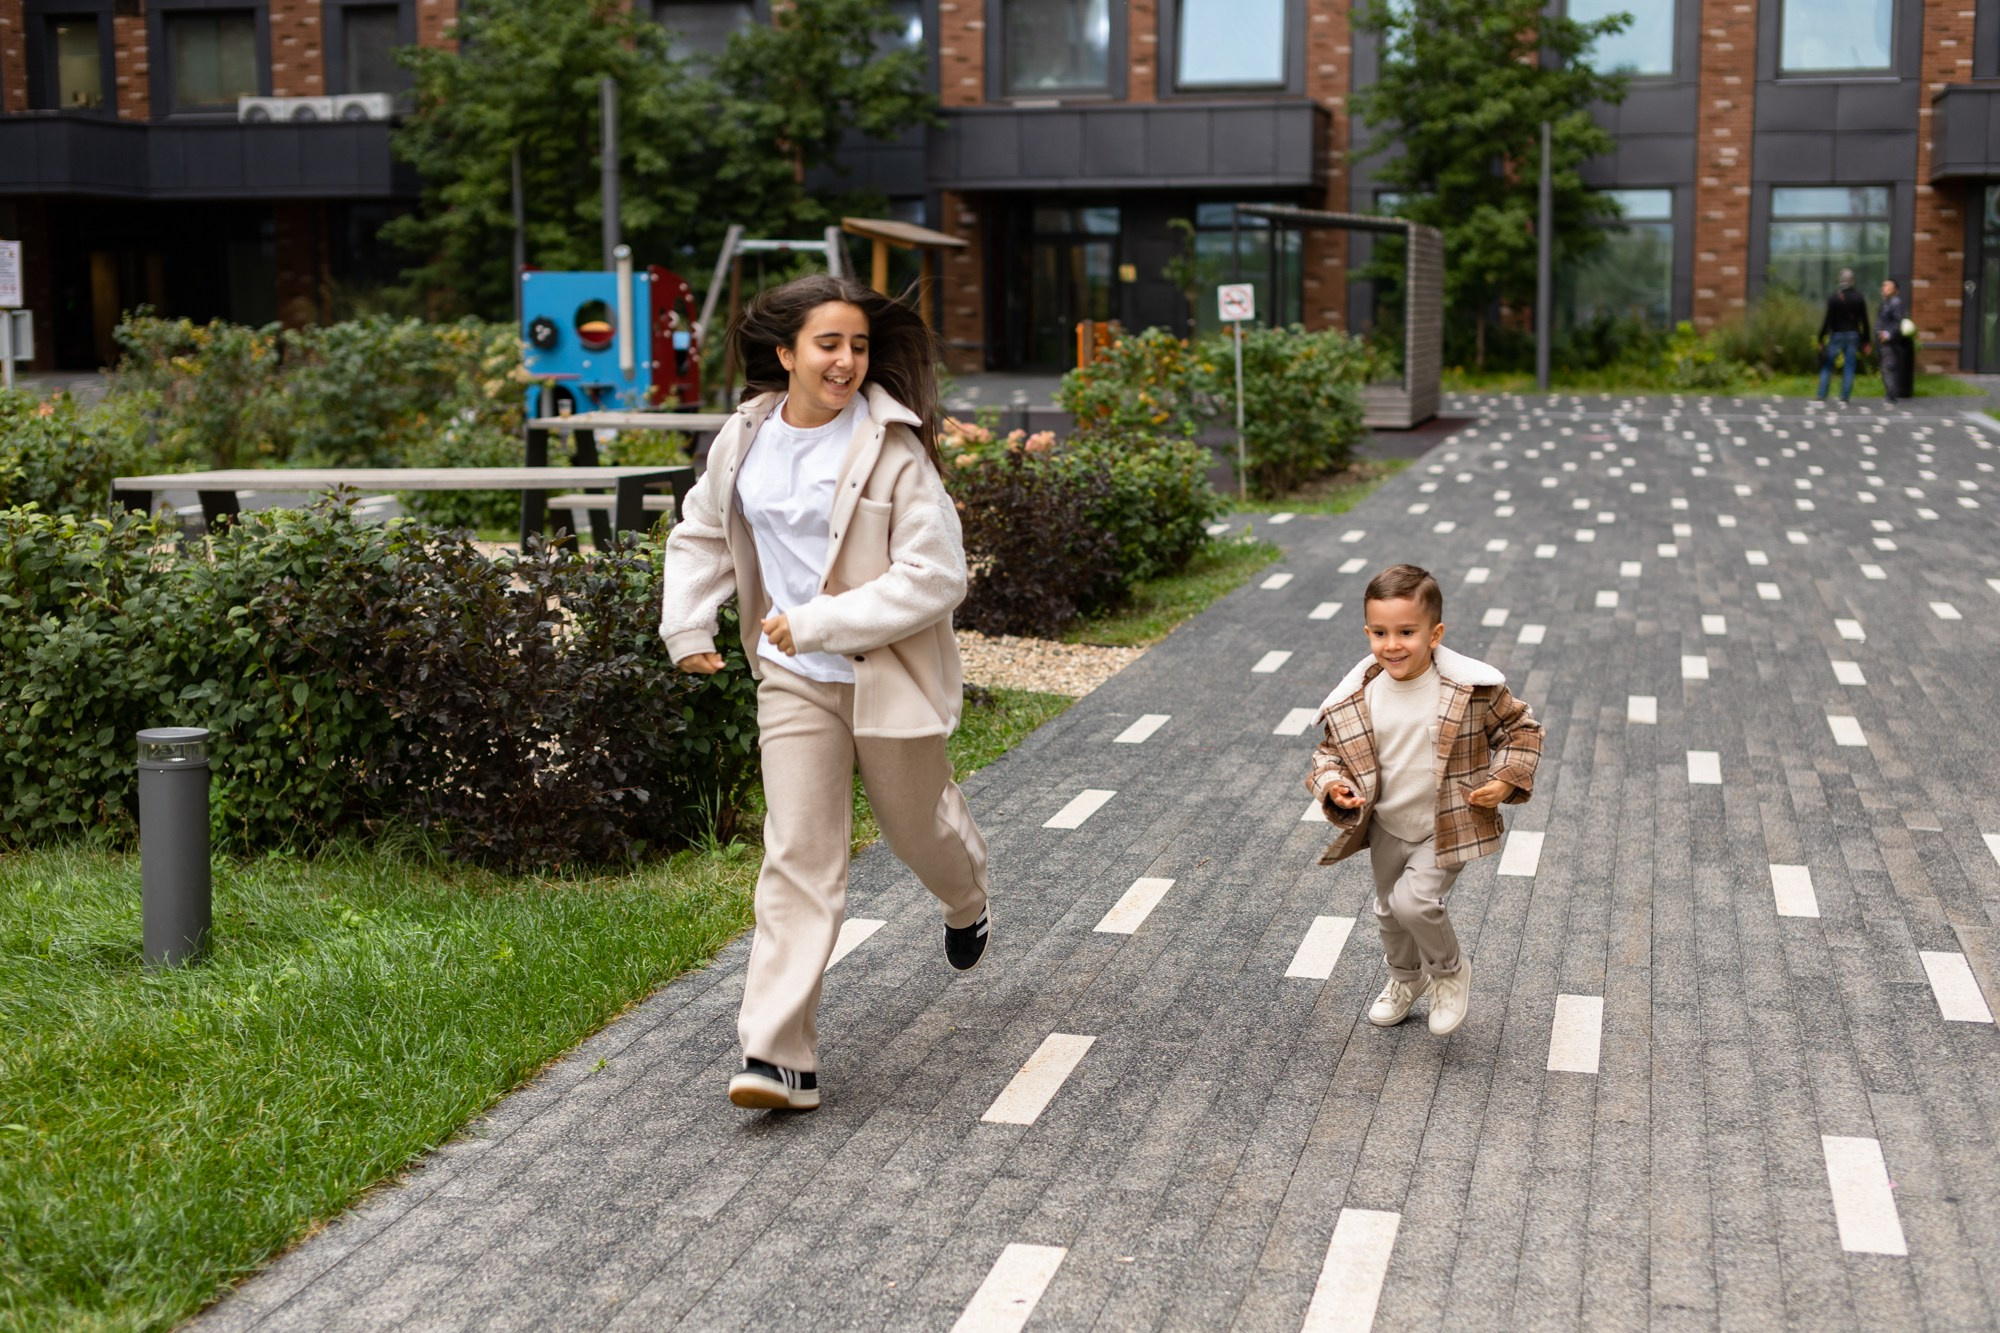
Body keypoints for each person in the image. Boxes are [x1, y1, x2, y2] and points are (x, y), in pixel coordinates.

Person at [659, 273, 991, 1112]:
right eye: (828, 344)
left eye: (860, 345)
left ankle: (968, 897)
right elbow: (702, 530)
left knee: (919, 833)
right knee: (800, 856)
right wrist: (688, 626)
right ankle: (778, 1057)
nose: (847, 361)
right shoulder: (745, 439)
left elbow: (938, 574)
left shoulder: (893, 447)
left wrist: (820, 621)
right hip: (796, 683)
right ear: (786, 353)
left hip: (888, 679)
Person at [1304, 564, 1543, 1035]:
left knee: (1415, 904)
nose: (1392, 644)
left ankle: (1450, 973)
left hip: (1446, 823)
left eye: (1406, 632)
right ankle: (1404, 980)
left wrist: (1504, 779)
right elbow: (1328, 753)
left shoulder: (1470, 691)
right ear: (1367, 631)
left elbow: (1522, 732)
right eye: (1380, 632)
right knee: (1389, 910)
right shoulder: (1359, 696)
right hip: (1387, 823)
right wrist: (1333, 785)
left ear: (1434, 634)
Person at [1815, 268, 1869, 405]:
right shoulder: (1859, 297)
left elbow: (1827, 319)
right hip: (1853, 335)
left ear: (1840, 280)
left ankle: (1822, 394)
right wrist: (1866, 340)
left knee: (1827, 364)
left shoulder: (1834, 297)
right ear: (1852, 281)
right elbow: (1864, 320)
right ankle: (1844, 396)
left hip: (1836, 335)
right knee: (1849, 365)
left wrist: (1821, 338)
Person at [1876, 277, 1912, 405]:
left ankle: (1891, 396)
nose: (1883, 288)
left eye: (1886, 286)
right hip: (1883, 341)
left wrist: (1887, 334)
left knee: (1888, 367)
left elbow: (1898, 322)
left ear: (1895, 290)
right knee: (1886, 367)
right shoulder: (1886, 302)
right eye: (1883, 286)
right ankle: (1890, 394)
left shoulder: (1895, 302)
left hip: (1889, 342)